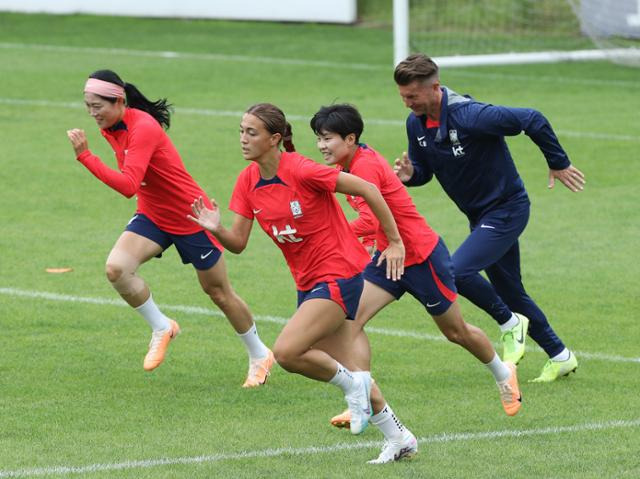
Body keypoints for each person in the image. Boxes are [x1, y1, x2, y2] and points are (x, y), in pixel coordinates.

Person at [187, 102, 416, 464]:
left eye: (252, 132)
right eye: (241, 131)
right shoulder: (247, 181)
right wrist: (216, 228)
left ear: (275, 138)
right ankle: (399, 436)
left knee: (288, 352)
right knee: (349, 368)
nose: (243, 139)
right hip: (308, 281)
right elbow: (239, 243)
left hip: (340, 272)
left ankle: (353, 388)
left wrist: (394, 241)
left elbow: (370, 190)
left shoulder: (303, 170)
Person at [310, 104, 522, 442]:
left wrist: (328, 239)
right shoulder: (355, 160)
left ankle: (503, 372)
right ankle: (362, 396)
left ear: (350, 139)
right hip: (388, 258)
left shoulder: (362, 168)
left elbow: (368, 220)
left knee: (456, 332)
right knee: (348, 324)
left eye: (328, 139)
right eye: (319, 139)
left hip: (421, 257)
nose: (321, 146)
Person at [66, 69, 274, 387]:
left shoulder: (143, 128)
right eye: (88, 105)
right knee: (117, 269)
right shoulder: (112, 126)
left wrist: (85, 156)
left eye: (98, 106)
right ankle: (163, 327)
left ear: (119, 101)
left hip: (191, 216)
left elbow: (128, 184)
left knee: (218, 293)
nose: (93, 113)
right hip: (153, 214)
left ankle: (260, 354)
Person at [393, 54, 585, 382]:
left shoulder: (472, 115)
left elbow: (532, 119)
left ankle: (510, 324)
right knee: (510, 290)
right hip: (479, 216)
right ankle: (560, 355)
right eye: (403, 97)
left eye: (413, 96)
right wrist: (411, 174)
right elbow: (426, 170)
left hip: (507, 209)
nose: (407, 103)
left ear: (435, 88)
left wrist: (558, 161)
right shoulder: (417, 123)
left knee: (456, 271)